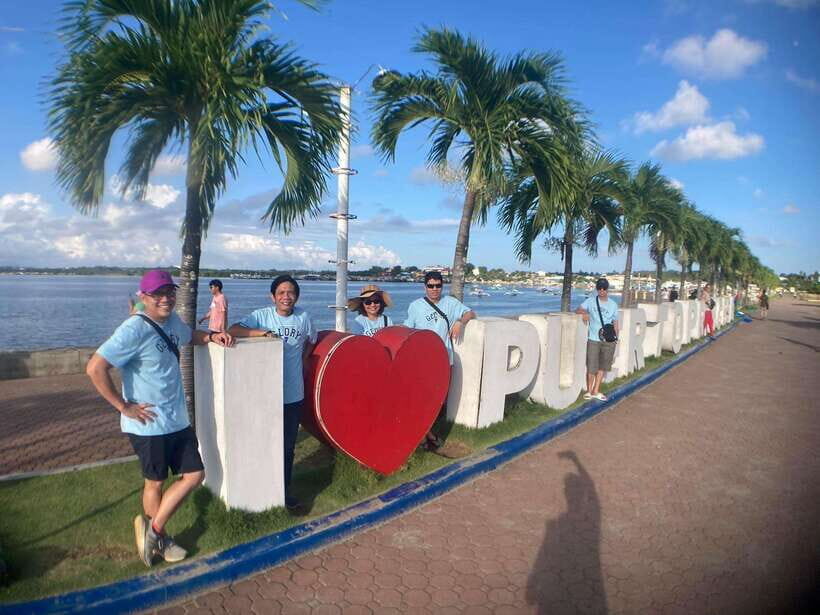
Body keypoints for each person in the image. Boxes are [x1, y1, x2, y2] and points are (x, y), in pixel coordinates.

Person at [86, 269, 233, 568]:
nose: (165, 299)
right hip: (148, 423)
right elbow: (95, 368)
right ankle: (161, 540)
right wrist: (123, 406)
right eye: (158, 294)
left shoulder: (173, 321)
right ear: (144, 297)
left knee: (195, 475)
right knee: (155, 482)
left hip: (176, 419)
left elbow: (189, 336)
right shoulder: (133, 329)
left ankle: (152, 532)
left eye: (169, 292)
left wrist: (212, 336)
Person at [228, 274, 316, 512]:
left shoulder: (304, 318)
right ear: (273, 296)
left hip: (293, 394)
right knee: (263, 445)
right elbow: (233, 329)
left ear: (297, 296)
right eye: (281, 293)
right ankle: (260, 493)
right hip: (266, 395)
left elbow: (311, 340)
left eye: (291, 292)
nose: (286, 297)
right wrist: (262, 334)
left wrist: (304, 359)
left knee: (287, 447)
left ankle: (283, 493)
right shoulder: (261, 316)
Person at [405, 271, 476, 450]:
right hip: (422, 361)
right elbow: (408, 331)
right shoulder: (415, 306)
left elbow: (470, 313)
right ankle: (425, 434)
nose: (434, 289)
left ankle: (424, 433)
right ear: (425, 287)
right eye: (431, 285)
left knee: (437, 400)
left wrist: (460, 322)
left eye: (438, 285)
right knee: (422, 398)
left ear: (442, 286)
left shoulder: (450, 303)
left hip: (444, 359)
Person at [575, 278, 619, 402]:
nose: (602, 290)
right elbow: (578, 309)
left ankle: (596, 390)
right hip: (593, 339)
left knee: (602, 367)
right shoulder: (590, 301)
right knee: (591, 366)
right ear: (597, 289)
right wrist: (584, 313)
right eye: (599, 288)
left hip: (608, 340)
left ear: (607, 289)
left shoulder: (613, 305)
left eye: (604, 288)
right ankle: (589, 391)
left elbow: (616, 323)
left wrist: (616, 338)